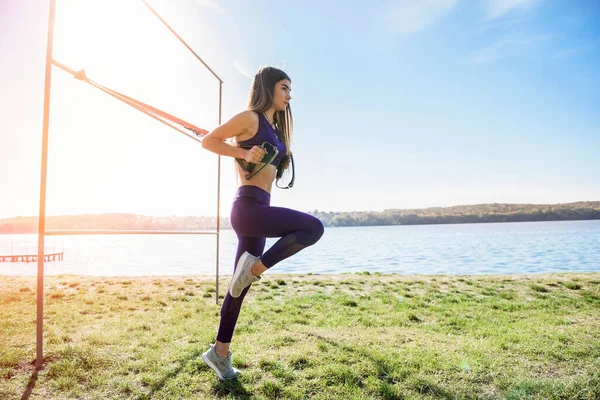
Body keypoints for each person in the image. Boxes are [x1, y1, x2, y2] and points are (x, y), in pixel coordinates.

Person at [199, 66, 325, 380]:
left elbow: (270, 168)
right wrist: (239, 150)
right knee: (313, 228)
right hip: (247, 207)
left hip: (260, 206)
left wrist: (278, 156)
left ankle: (219, 353)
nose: (289, 95)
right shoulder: (250, 118)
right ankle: (255, 269)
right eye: (284, 88)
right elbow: (208, 141)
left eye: (290, 90)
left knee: (237, 288)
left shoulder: (274, 127)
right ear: (269, 87)